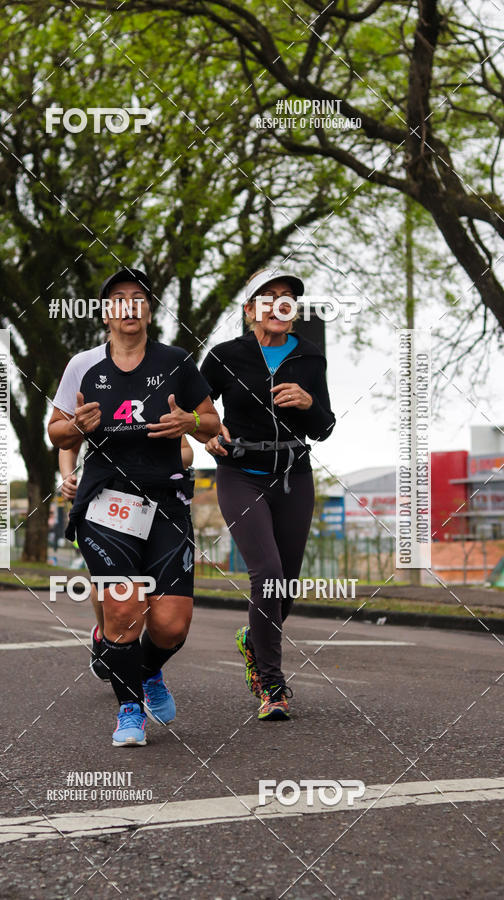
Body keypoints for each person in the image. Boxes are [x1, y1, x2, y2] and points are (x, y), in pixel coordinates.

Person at [48, 268, 219, 746]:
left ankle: (145, 673)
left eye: (138, 298)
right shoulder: (83, 365)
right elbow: (55, 430)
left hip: (165, 500)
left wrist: (189, 420)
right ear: (106, 312)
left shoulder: (178, 362)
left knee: (169, 625)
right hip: (105, 502)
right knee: (124, 611)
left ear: (148, 310)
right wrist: (77, 427)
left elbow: (211, 423)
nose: (128, 306)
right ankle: (129, 710)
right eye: (118, 299)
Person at [200, 268, 335, 721]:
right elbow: (201, 411)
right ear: (250, 310)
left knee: (287, 583)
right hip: (241, 473)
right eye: (268, 297)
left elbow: (326, 427)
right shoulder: (224, 356)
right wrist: (211, 433)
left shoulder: (310, 357)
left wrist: (310, 404)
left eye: (287, 298)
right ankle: (271, 685)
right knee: (268, 571)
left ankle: (252, 640)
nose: (279, 304)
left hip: (294, 474)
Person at [58, 435, 195, 681]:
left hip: (154, 504)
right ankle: (105, 633)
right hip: (104, 499)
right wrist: (67, 475)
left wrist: (155, 461)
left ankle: (137, 666)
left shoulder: (159, 405)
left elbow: (186, 451)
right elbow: (68, 441)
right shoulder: (97, 399)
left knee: (148, 596)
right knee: (111, 586)